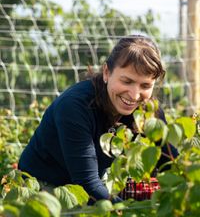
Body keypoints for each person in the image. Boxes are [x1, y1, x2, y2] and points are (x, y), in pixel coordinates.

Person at [18, 35, 178, 204]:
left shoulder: (148, 112)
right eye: (127, 81)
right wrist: (128, 216)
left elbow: (171, 163)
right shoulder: (75, 106)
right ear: (107, 72)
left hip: (96, 186)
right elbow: (87, 183)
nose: (134, 94)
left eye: (145, 85)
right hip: (45, 188)